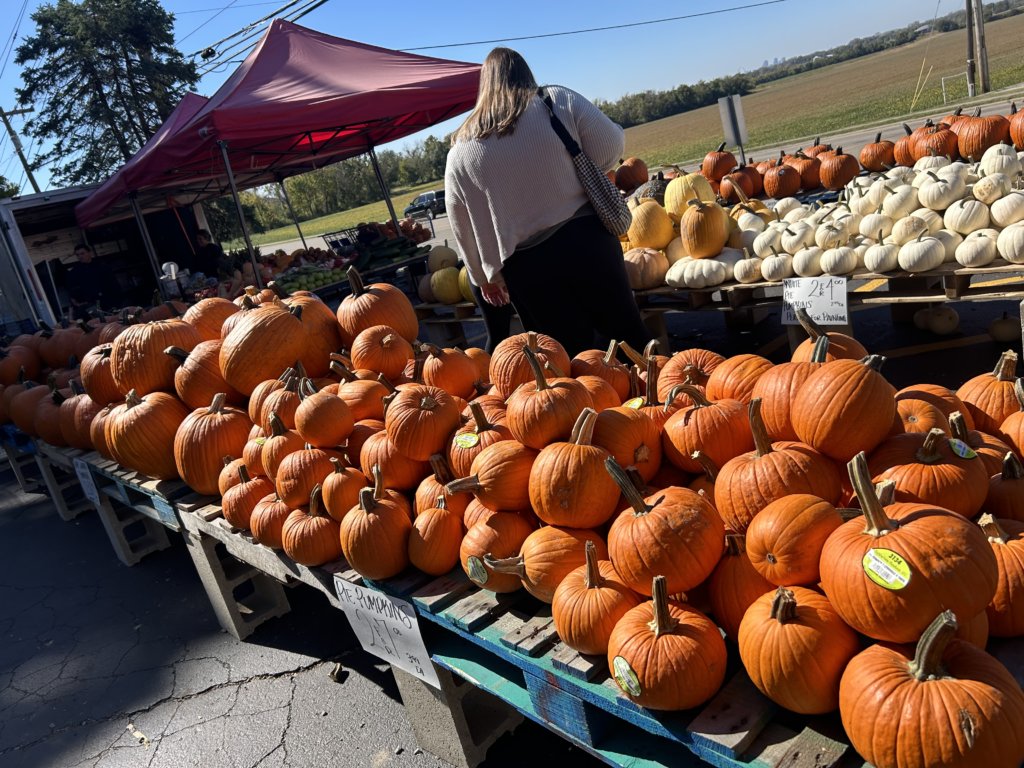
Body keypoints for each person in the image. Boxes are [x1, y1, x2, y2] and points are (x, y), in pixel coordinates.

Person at [445, 47, 651, 357]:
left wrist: (482, 275)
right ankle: (657, 400)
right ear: (526, 74)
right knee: (630, 338)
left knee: (567, 360)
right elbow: (611, 144)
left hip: (527, 266)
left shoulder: (460, 146)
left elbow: (459, 222)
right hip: (588, 243)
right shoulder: (554, 99)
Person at [66, 244, 114, 312]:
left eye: (82, 253)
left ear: (89, 253)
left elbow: (112, 282)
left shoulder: (101, 266)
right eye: (77, 255)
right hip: (91, 303)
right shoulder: (75, 271)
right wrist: (76, 302)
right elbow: (71, 288)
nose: (80, 256)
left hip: (108, 299)